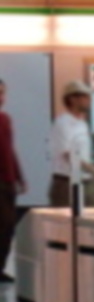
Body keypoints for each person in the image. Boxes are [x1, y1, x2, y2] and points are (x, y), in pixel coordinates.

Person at [48, 80, 94, 207]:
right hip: (66, 183)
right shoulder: (63, 123)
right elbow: (68, 154)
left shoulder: (82, 124)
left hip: (85, 181)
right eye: (85, 97)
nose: (89, 100)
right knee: (66, 223)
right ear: (73, 99)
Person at [0, 80, 25, 284]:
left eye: (3, 93)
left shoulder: (5, 119)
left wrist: (19, 176)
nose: (2, 98)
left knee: (8, 225)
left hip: (7, 182)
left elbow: (10, 150)